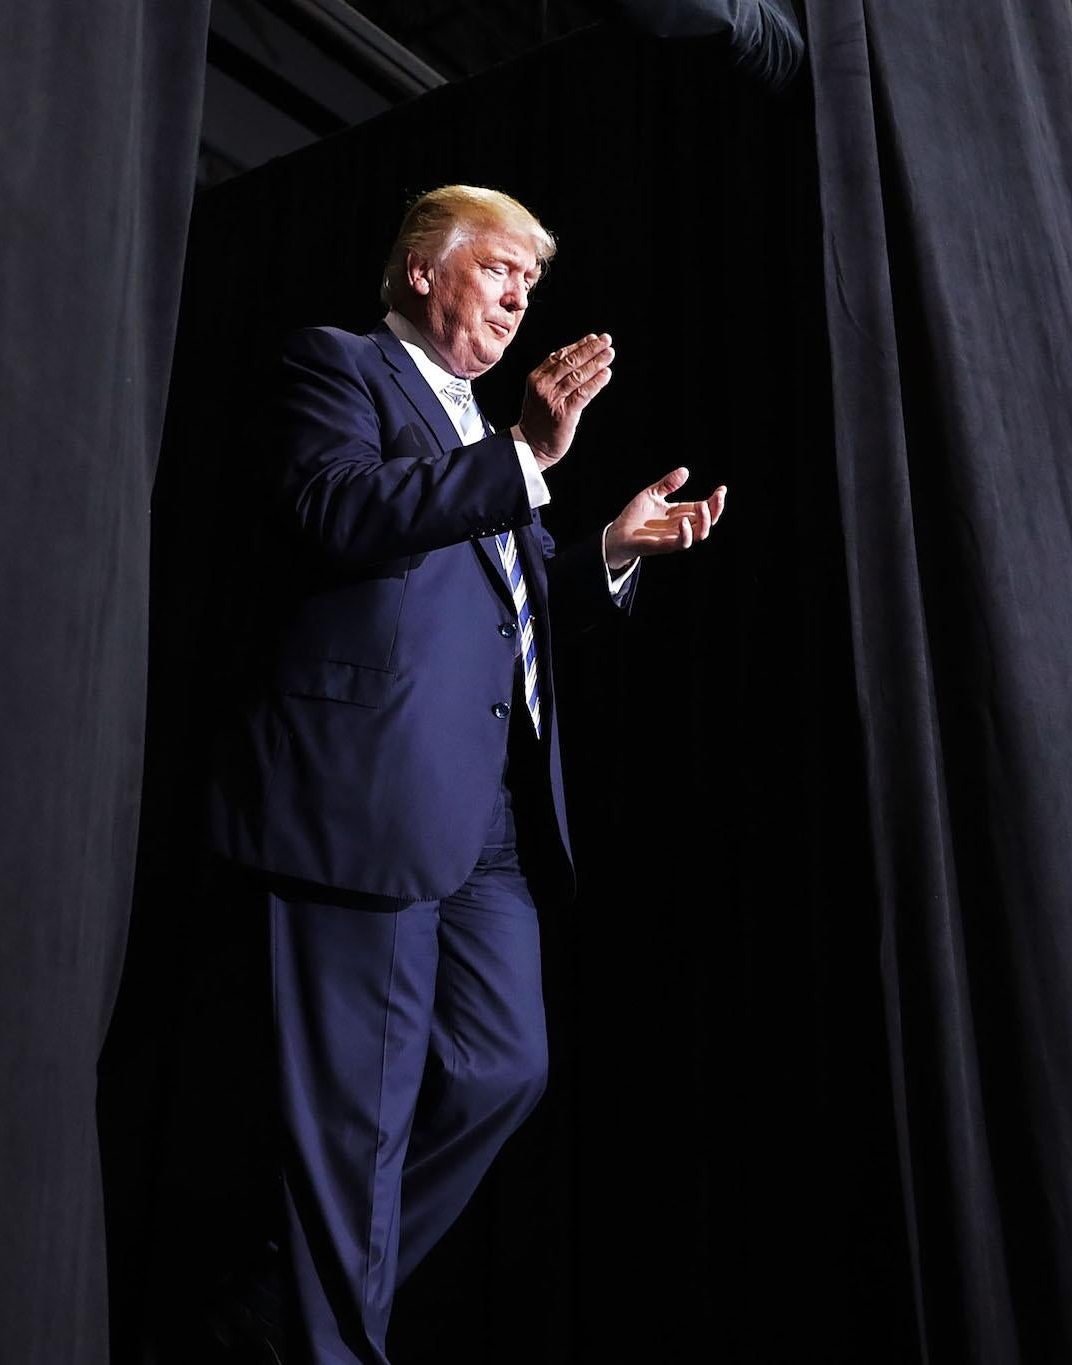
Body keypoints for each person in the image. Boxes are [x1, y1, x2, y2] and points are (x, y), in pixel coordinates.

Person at [203, 185, 728, 1364]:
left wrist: (602, 549)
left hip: (489, 810)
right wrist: (522, 458)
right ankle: (322, 1343)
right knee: (356, 1127)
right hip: (372, 791)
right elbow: (332, 511)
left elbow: (507, 613)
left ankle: (282, 1310)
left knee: (502, 1071)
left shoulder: (479, 435)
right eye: (498, 271)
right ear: (421, 273)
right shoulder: (338, 366)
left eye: (529, 286)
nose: (516, 298)